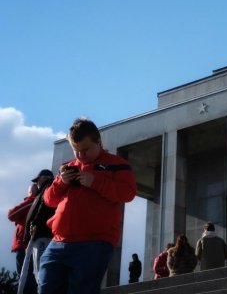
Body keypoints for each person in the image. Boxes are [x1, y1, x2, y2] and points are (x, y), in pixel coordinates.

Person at [38, 118, 137, 294]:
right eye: (76, 150)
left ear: (99, 141)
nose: (81, 155)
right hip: (59, 241)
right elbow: (49, 201)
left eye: (85, 150)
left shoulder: (117, 164)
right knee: (46, 288)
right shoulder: (67, 167)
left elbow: (128, 193)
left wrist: (96, 182)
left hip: (94, 242)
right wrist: (61, 183)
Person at [24, 169, 56, 285]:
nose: (37, 183)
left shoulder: (48, 188)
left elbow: (43, 210)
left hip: (43, 234)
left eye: (38, 180)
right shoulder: (43, 191)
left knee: (42, 271)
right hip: (40, 235)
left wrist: (36, 224)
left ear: (45, 178)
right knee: (39, 271)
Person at [7, 183, 38, 294]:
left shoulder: (33, 201)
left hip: (25, 246)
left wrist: (31, 198)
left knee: (26, 279)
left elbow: (11, 214)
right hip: (29, 245)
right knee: (31, 278)